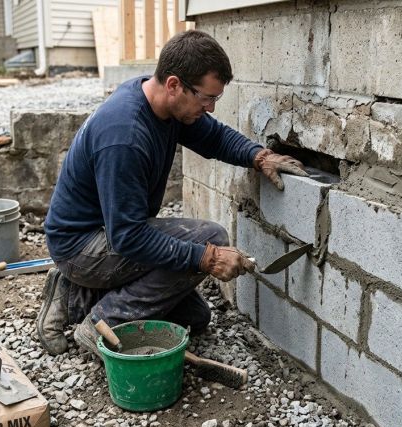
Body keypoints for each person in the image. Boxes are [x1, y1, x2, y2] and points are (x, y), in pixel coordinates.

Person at [37, 29, 307, 358]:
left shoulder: (163, 103)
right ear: (174, 84)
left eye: (215, 99)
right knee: (212, 239)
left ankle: (72, 295)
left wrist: (260, 156)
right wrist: (208, 258)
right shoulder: (125, 136)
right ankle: (99, 322)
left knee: (195, 316)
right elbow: (129, 237)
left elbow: (214, 138)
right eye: (206, 98)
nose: (210, 108)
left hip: (113, 232)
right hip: (81, 245)